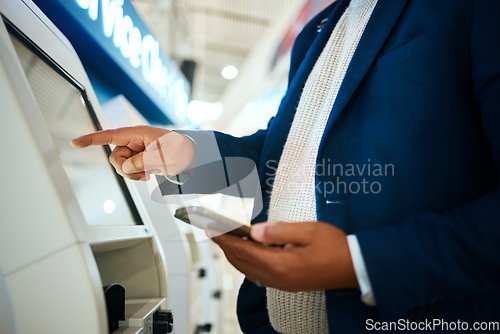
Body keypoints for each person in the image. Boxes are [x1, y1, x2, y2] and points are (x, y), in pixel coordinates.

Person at [72, 0, 500, 332]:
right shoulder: (317, 32)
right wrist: (187, 152)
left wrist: (362, 262)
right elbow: (286, 156)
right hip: (274, 322)